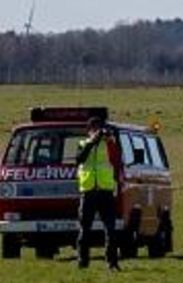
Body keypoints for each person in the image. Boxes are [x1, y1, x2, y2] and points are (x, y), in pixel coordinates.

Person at [74, 113, 125, 271]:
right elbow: (79, 159)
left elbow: (118, 159)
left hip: (105, 191)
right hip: (88, 191)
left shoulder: (108, 145)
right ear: (88, 130)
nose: (96, 131)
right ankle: (83, 261)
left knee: (110, 228)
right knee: (85, 229)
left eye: (98, 128)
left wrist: (109, 139)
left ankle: (112, 262)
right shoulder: (83, 143)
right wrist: (92, 142)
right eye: (93, 129)